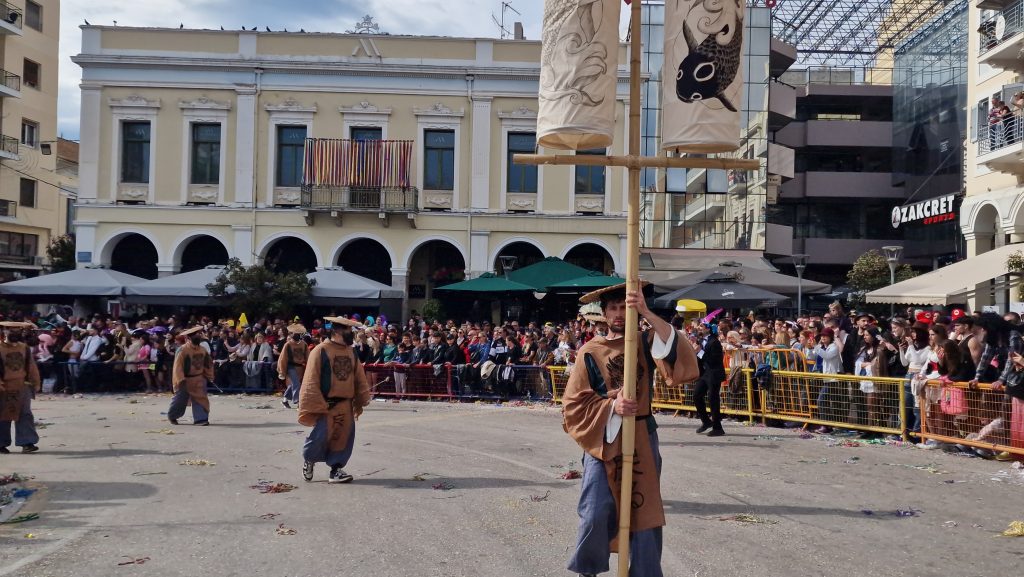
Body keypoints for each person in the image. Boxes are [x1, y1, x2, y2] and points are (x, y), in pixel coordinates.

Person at [562, 282, 699, 577]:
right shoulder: (590, 351)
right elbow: (573, 405)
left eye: (625, 307)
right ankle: (589, 569)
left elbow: (675, 348)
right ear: (604, 314)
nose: (620, 314)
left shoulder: (646, 341)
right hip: (603, 437)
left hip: (641, 436)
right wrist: (612, 406)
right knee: (595, 511)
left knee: (644, 513)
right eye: (613, 308)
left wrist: (647, 311)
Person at [298, 316, 371, 484]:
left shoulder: (351, 351)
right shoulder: (320, 350)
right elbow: (310, 379)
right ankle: (309, 460)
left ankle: (336, 469)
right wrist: (316, 403)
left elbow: (358, 374)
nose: (351, 334)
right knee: (320, 437)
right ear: (337, 331)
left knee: (344, 438)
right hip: (326, 404)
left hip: (345, 404)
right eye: (348, 331)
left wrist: (363, 395)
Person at [0, 322, 41, 453]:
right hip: (4, 386)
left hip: (22, 385)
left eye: (18, 331)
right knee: (3, 415)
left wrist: (36, 382)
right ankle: (1, 444)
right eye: (11, 331)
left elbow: (31, 366)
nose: (15, 333)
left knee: (25, 414)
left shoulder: (24, 347)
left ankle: (27, 442)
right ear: (4, 331)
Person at [168, 326, 214, 426]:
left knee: (201, 399)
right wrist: (180, 379)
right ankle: (172, 416)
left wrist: (209, 375)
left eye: (199, 334)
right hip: (185, 379)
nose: (198, 335)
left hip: (198, 379)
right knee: (179, 400)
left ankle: (200, 419)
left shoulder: (202, 350)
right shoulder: (182, 350)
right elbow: (178, 366)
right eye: (195, 334)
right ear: (189, 337)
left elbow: (208, 364)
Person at [694, 322, 726, 436]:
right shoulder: (701, 341)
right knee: (697, 395)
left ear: (708, 329)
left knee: (713, 399)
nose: (699, 329)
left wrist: (699, 352)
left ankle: (718, 427)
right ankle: (706, 421)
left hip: (714, 373)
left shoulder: (715, 342)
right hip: (705, 373)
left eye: (701, 327)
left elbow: (713, 360)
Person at [277, 323, 308, 409]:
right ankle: (298, 402)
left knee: (294, 384)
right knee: (296, 384)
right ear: (292, 334)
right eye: (295, 333)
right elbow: (282, 358)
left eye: (298, 334)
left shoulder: (304, 344)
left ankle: (285, 399)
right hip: (291, 366)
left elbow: (308, 357)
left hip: (300, 367)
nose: (296, 335)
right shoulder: (288, 345)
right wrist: (281, 371)